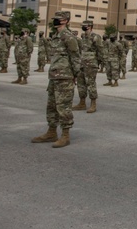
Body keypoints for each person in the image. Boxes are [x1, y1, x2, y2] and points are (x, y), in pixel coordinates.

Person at [31, 11, 80, 148]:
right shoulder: (56, 36)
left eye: (58, 19)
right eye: (55, 18)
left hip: (65, 77)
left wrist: (74, 75)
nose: (56, 21)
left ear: (66, 21)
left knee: (63, 107)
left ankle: (65, 135)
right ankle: (52, 132)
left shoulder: (68, 37)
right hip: (54, 76)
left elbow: (75, 57)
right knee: (51, 106)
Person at [73, 20, 104, 112]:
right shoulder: (83, 37)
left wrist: (97, 63)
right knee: (81, 83)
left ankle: (93, 104)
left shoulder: (95, 37)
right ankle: (82, 103)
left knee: (90, 84)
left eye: (84, 26)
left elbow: (100, 51)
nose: (83, 27)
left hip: (91, 64)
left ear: (90, 26)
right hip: (82, 63)